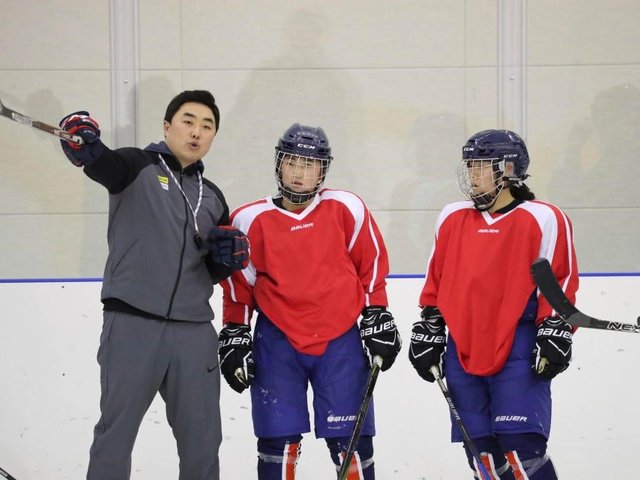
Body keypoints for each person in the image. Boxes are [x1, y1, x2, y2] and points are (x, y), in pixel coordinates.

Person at [57, 90, 249, 480]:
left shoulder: (213, 198)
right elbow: (102, 163)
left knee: (203, 444)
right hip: (133, 325)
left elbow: (209, 270)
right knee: (115, 436)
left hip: (194, 333)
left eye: (207, 126)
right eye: (188, 121)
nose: (196, 132)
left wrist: (226, 261)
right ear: (167, 126)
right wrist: (83, 144)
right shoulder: (135, 166)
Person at [217, 123, 402, 479]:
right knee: (277, 444)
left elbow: (371, 264)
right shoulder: (247, 219)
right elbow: (239, 286)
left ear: (323, 170)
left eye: (310, 164)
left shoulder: (345, 207)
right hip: (277, 342)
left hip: (340, 340)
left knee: (351, 444)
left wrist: (377, 313)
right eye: (292, 162)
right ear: (278, 164)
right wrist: (235, 332)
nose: (299, 173)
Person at [408, 130, 579, 479]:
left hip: (518, 344)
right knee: (482, 456)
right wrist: (431, 325)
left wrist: (556, 328)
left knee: (521, 453)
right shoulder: (452, 216)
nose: (472, 175)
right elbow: (437, 280)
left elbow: (558, 281)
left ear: (509, 168)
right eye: (470, 166)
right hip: (462, 348)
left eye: (481, 166)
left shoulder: (543, 217)